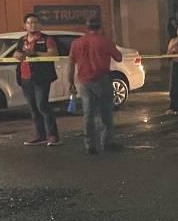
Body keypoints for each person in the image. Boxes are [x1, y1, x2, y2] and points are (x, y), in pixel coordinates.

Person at [67, 17, 123, 155]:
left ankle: (90, 145)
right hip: (102, 80)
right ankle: (106, 142)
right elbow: (118, 57)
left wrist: (71, 82)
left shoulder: (77, 43)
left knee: (88, 114)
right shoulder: (105, 41)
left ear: (86, 28)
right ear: (100, 27)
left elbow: (70, 63)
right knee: (106, 113)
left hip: (84, 82)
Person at [13, 13, 61, 145]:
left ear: (39, 24)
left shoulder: (46, 39)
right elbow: (16, 53)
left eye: (34, 22)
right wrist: (18, 55)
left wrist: (36, 53)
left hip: (41, 78)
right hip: (25, 78)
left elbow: (53, 53)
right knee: (33, 108)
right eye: (29, 23)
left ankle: (52, 135)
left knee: (42, 106)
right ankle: (40, 135)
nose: (32, 25)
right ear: (25, 25)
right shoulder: (22, 40)